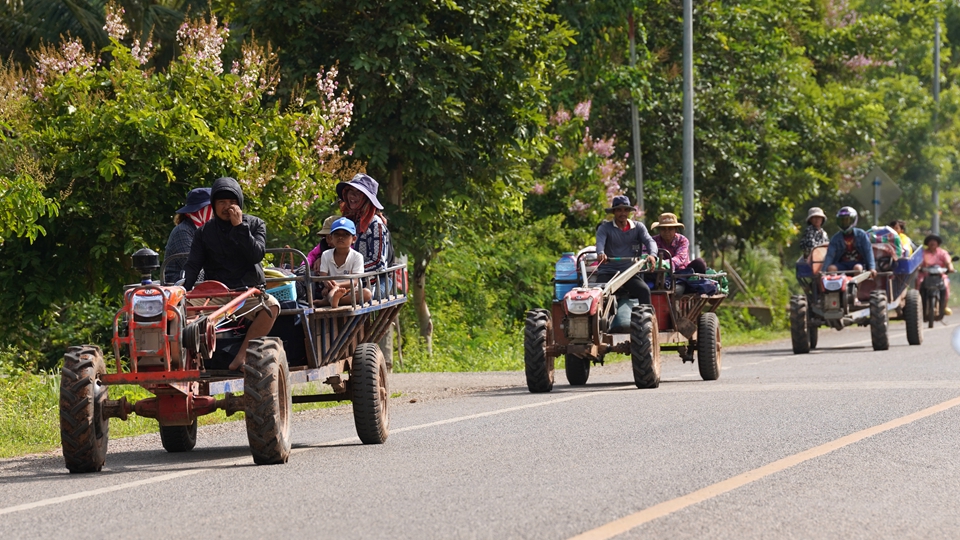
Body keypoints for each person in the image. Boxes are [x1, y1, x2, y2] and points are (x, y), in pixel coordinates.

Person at [182, 177, 280, 370]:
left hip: (247, 293)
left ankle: (242, 356)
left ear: (240, 204)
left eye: (232, 203)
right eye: (222, 203)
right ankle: (192, 362)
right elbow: (193, 265)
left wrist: (240, 227)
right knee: (180, 313)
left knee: (272, 307)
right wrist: (183, 291)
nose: (228, 207)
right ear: (214, 205)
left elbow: (256, 255)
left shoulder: (255, 224)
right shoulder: (204, 232)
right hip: (216, 294)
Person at [337, 173, 393, 296]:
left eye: (358, 192)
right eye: (350, 191)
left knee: (354, 302)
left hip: (377, 281)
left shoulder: (375, 224)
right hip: (351, 280)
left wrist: (350, 272)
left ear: (366, 198)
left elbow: (378, 262)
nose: (352, 196)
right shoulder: (348, 220)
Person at [595, 195, 658, 304]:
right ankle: (596, 320)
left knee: (644, 290)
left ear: (629, 211)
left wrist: (652, 254)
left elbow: (649, 241)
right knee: (597, 296)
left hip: (629, 273)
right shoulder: (604, 228)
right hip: (608, 272)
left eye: (625, 210)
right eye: (619, 210)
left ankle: (648, 318)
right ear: (614, 212)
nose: (622, 213)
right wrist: (601, 253)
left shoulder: (638, 227)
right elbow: (600, 242)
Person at [316, 217, 372, 308]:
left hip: (351, 290)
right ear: (331, 238)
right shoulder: (326, 254)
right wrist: (327, 283)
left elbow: (354, 281)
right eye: (337, 234)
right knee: (333, 292)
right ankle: (333, 299)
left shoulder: (357, 256)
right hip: (332, 289)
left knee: (367, 294)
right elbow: (323, 276)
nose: (341, 237)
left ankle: (330, 302)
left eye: (346, 234)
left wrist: (338, 285)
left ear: (354, 239)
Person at [163, 187, 212, 283]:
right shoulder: (182, 231)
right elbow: (196, 271)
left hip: (201, 289)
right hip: (181, 290)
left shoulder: (206, 232)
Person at [824, 206, 876, 278]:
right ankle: (836, 288)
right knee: (831, 268)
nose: (844, 223)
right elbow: (830, 255)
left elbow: (868, 251)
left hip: (859, 264)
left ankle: (856, 289)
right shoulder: (835, 238)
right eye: (842, 221)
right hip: (842, 264)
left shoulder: (861, 234)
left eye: (846, 220)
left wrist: (872, 268)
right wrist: (823, 272)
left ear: (853, 220)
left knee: (857, 268)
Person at [919, 234, 955, 316]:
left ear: (938, 243)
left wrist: (950, 268)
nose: (932, 243)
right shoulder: (923, 253)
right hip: (925, 275)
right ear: (927, 243)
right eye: (930, 241)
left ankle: (944, 306)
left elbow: (948, 262)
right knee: (919, 283)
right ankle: (918, 305)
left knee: (946, 285)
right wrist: (918, 267)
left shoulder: (943, 253)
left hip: (940, 276)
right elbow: (919, 263)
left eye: (934, 241)